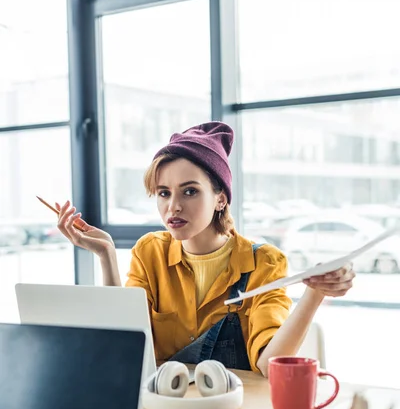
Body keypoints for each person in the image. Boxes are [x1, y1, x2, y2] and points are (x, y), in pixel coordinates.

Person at [56, 121, 355, 377]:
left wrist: (315, 293)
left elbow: (268, 365)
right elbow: (123, 346)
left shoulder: (263, 262)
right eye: (163, 193)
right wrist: (106, 254)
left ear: (220, 199)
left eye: (190, 191)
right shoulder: (150, 253)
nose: (173, 206)